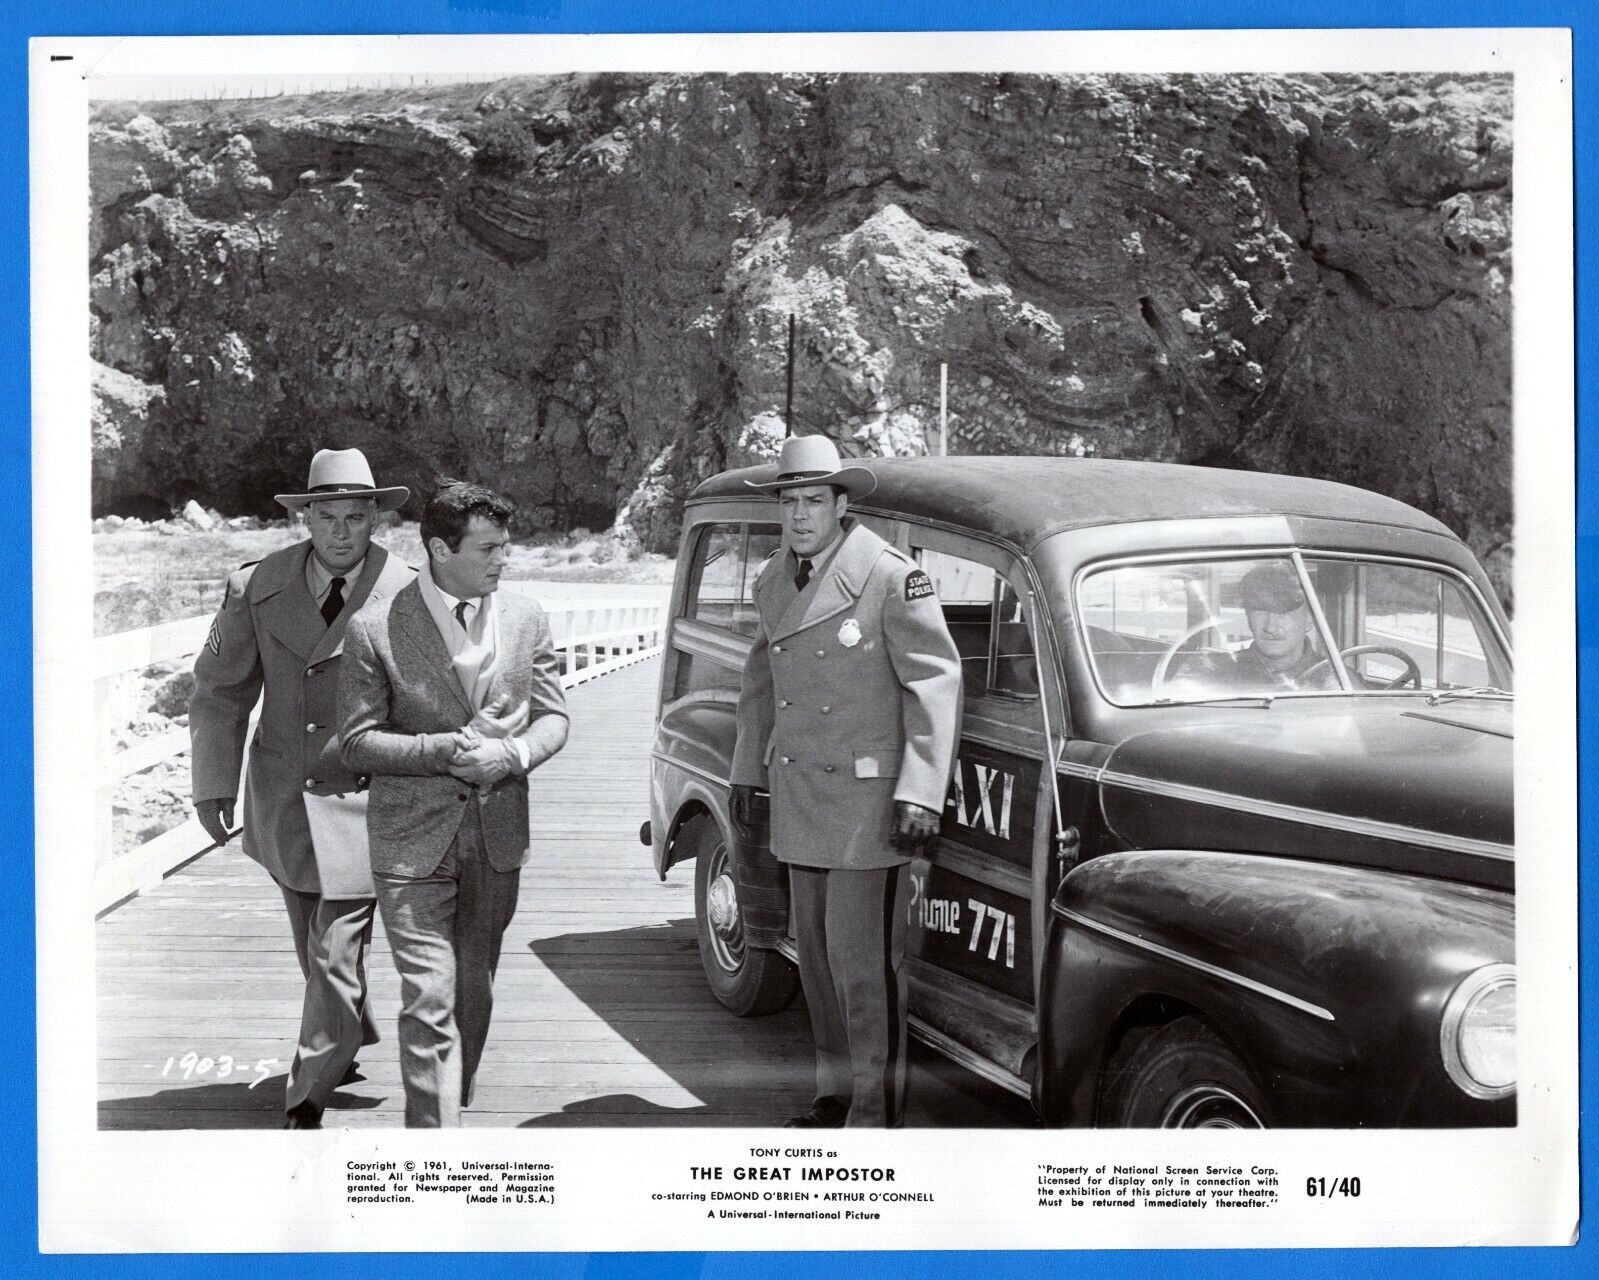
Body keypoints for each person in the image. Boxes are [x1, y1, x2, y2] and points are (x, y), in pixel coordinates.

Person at [729, 435, 963, 1129]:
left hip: (867, 805)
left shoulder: (890, 576)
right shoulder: (774, 580)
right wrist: (748, 767)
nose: (799, 516)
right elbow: (760, 682)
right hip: (801, 796)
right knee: (818, 962)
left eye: (812, 501)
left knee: (863, 971)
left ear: (839, 504)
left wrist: (920, 789)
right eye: (788, 503)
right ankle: (832, 1095)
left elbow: (935, 681)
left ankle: (872, 1114)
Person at [189, 447, 415, 1129]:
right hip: (283, 793)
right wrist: (211, 785)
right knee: (312, 937)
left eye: (355, 517)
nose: (342, 532)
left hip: (371, 796)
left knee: (336, 943)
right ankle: (348, 1037)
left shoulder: (410, 588)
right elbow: (220, 695)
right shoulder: (254, 586)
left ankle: (307, 1088)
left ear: (375, 518)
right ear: (304, 518)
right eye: (328, 517)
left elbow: (433, 697)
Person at [338, 481, 568, 1128]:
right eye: (489, 548)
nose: (504, 560)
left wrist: (512, 756)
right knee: (428, 996)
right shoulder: (373, 629)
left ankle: (455, 1095)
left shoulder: (526, 617)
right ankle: (433, 1145)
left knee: (474, 989)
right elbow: (355, 743)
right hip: (410, 842)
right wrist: (441, 748)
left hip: (497, 835)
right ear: (440, 549)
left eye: (506, 546)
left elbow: (553, 719)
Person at [1229, 562, 1337, 691]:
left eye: (1283, 613)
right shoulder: (1221, 675)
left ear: (1309, 619)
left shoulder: (1338, 682)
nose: (1270, 627)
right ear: (1248, 618)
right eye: (1260, 612)